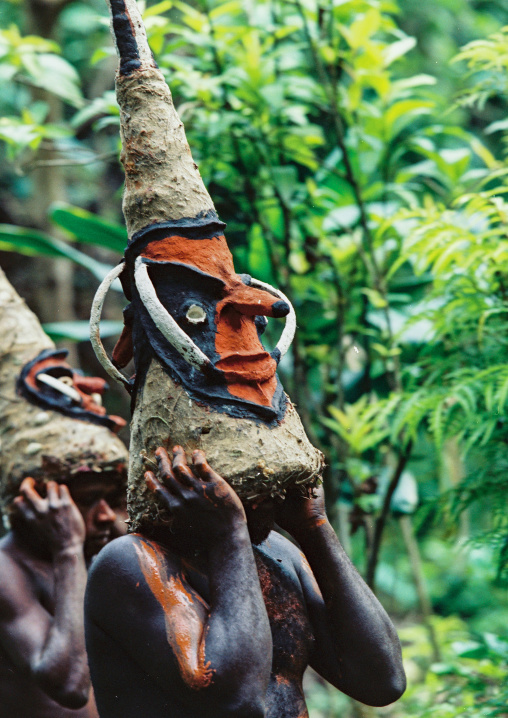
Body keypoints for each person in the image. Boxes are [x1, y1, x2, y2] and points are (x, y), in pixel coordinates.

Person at [85, 446, 406, 718]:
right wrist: (228, 535)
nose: (273, 492)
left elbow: (383, 682)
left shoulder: (276, 553)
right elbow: (238, 701)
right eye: (251, 482)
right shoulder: (129, 561)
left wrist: (315, 527)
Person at [0, 472, 126, 718]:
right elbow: (71, 685)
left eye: (111, 500)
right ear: (36, 502)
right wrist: (68, 548)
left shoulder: (97, 549)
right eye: (89, 499)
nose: (107, 515)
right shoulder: (6, 568)